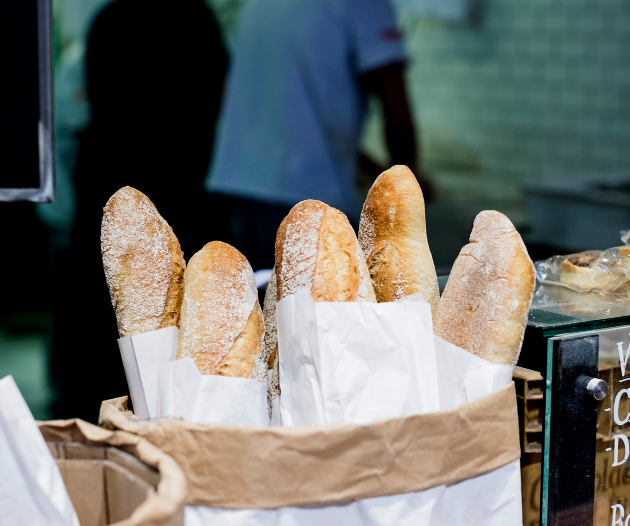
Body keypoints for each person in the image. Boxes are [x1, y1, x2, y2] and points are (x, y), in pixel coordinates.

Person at [49, 0, 228, 421]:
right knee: (177, 324)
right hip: (182, 189)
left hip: (111, 188)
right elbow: (217, 101)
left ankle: (95, 424)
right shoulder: (196, 19)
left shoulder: (108, 22)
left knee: (102, 322)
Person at [206, 0, 429, 270]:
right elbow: (396, 111)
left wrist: (375, 170)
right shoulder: (366, 4)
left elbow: (297, 118)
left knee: (252, 304)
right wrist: (407, 184)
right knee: (313, 307)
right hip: (305, 197)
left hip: (237, 185)